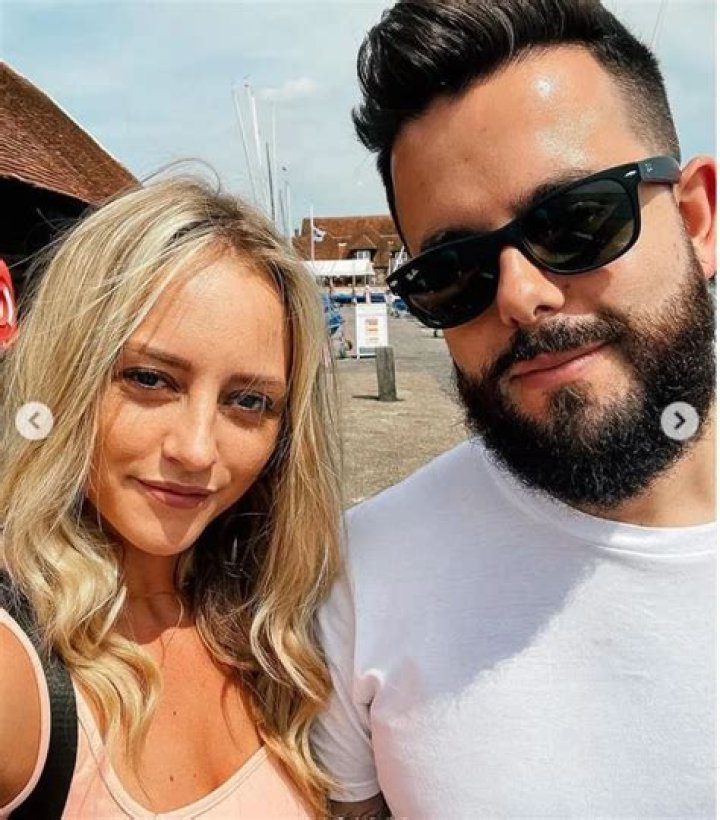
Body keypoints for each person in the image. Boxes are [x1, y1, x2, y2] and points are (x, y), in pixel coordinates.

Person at [312, 1, 716, 817]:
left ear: (696, 218)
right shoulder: (361, 581)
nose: (521, 296)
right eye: (453, 273)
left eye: (576, 223)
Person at [0, 175, 342, 817]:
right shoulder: (17, 669)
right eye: (151, 379)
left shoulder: (275, 630)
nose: (197, 449)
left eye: (249, 401)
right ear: (69, 374)